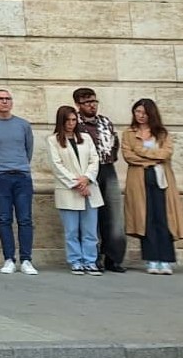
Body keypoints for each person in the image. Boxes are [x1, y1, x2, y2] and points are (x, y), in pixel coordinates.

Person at [122, 98, 183, 274]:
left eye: (144, 112)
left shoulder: (162, 133)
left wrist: (142, 153)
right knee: (146, 218)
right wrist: (151, 158)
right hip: (139, 180)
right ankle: (151, 259)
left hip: (161, 179)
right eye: (137, 112)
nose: (141, 116)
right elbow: (129, 156)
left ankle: (165, 259)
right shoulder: (128, 133)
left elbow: (166, 154)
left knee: (163, 217)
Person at [0, 88, 35, 275]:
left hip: (22, 176)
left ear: (12, 102)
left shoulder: (23, 125)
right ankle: (9, 259)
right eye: (0, 99)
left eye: (7, 98)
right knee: (4, 218)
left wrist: (20, 165)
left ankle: (26, 260)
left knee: (25, 219)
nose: (4, 101)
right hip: (0, 177)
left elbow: (29, 149)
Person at [74, 87, 125, 273]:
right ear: (78, 104)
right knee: (90, 217)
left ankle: (113, 258)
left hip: (107, 168)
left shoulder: (105, 122)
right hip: (86, 171)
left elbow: (115, 144)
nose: (92, 105)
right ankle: (92, 258)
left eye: (94, 101)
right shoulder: (75, 123)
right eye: (87, 102)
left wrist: (110, 157)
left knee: (113, 215)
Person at [47, 105, 103, 275]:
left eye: (73, 120)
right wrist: (77, 184)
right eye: (68, 120)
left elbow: (94, 160)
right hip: (69, 190)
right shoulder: (53, 140)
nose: (71, 123)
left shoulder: (85, 138)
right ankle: (75, 260)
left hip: (89, 188)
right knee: (72, 230)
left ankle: (90, 260)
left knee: (90, 230)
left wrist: (86, 179)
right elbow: (57, 166)